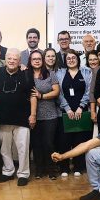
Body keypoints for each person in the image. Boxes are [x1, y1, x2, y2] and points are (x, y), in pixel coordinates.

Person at [0, 48, 37, 186]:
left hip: (22, 119)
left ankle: (23, 174)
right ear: (5, 60)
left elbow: (33, 95)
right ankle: (7, 171)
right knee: (4, 148)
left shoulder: (26, 74)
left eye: (15, 59)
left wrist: (33, 115)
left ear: (20, 61)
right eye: (9, 59)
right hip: (2, 118)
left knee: (23, 148)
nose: (12, 61)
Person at [56, 49, 92, 177]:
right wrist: (67, 108)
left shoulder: (86, 72)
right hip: (65, 113)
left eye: (73, 58)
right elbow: (58, 93)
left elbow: (89, 92)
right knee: (64, 141)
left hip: (82, 112)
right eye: (68, 58)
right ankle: (64, 167)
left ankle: (78, 166)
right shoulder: (59, 73)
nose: (71, 60)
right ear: (65, 61)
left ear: (78, 59)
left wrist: (81, 107)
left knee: (80, 140)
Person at [28, 50, 60, 179]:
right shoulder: (27, 75)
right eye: (34, 59)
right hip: (33, 114)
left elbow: (56, 91)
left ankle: (51, 170)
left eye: (39, 59)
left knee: (48, 143)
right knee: (36, 144)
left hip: (50, 115)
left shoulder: (50, 74)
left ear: (42, 60)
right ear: (30, 61)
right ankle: (39, 170)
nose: (36, 61)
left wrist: (42, 96)